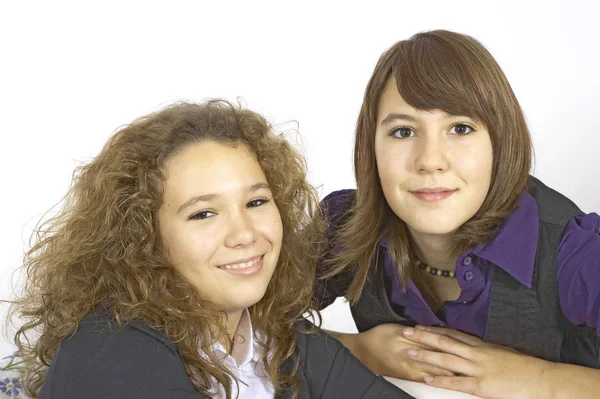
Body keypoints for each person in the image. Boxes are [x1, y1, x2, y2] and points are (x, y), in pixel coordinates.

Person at [9, 100, 411, 399]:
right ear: (142, 238)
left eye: (256, 202)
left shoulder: (277, 340)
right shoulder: (108, 351)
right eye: (203, 214)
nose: (244, 234)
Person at [314, 29, 600, 399]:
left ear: (501, 141)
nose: (430, 161)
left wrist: (545, 381)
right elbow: (237, 324)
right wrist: (360, 350)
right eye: (403, 131)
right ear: (371, 149)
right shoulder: (343, 228)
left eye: (460, 128)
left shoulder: (574, 252)